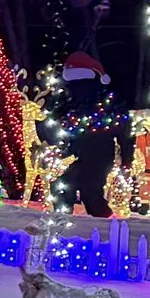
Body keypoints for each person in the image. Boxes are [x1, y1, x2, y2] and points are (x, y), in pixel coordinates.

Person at [49, 52, 130, 217]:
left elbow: (124, 131)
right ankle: (63, 220)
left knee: (89, 192)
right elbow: (70, 131)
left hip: (101, 155)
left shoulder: (105, 103)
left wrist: (127, 158)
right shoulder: (73, 103)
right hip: (84, 155)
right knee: (65, 186)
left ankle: (105, 227)